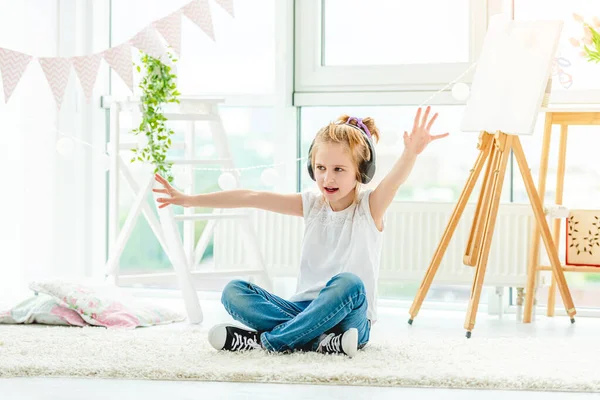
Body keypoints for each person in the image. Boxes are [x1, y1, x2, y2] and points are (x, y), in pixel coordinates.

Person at [153, 106, 448, 357]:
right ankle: (319, 342)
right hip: (302, 308)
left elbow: (394, 182)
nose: (327, 178)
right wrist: (188, 200)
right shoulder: (312, 204)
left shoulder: (369, 207)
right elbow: (251, 197)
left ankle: (266, 343)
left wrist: (411, 153)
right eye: (320, 168)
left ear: (361, 172)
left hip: (351, 319)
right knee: (235, 291)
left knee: (349, 283)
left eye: (338, 170)